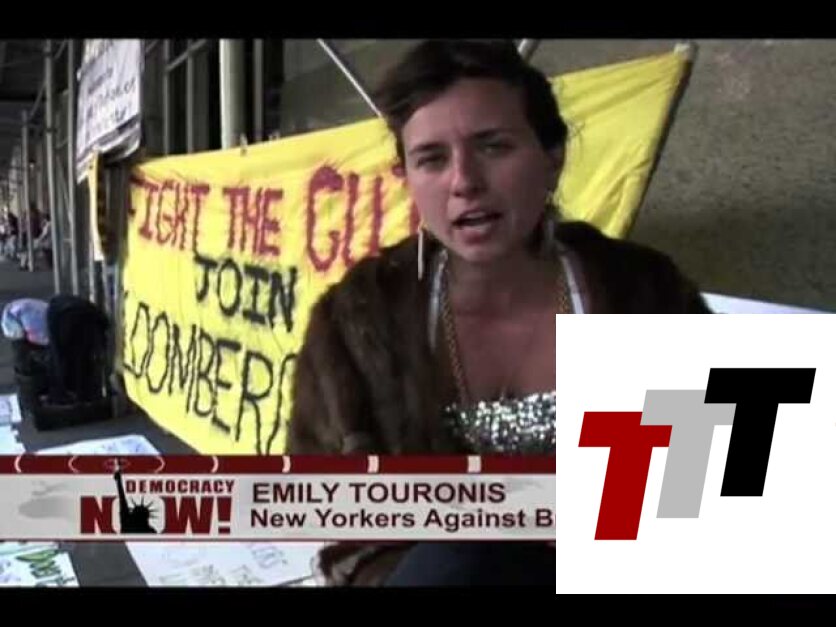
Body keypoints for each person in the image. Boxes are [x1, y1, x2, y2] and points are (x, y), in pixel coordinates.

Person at [286, 40, 711, 586]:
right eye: (432, 159)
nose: (464, 182)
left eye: (493, 147)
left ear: (552, 158)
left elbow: (718, 482)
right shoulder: (357, 324)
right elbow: (336, 513)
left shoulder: (645, 295)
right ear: (407, 178)